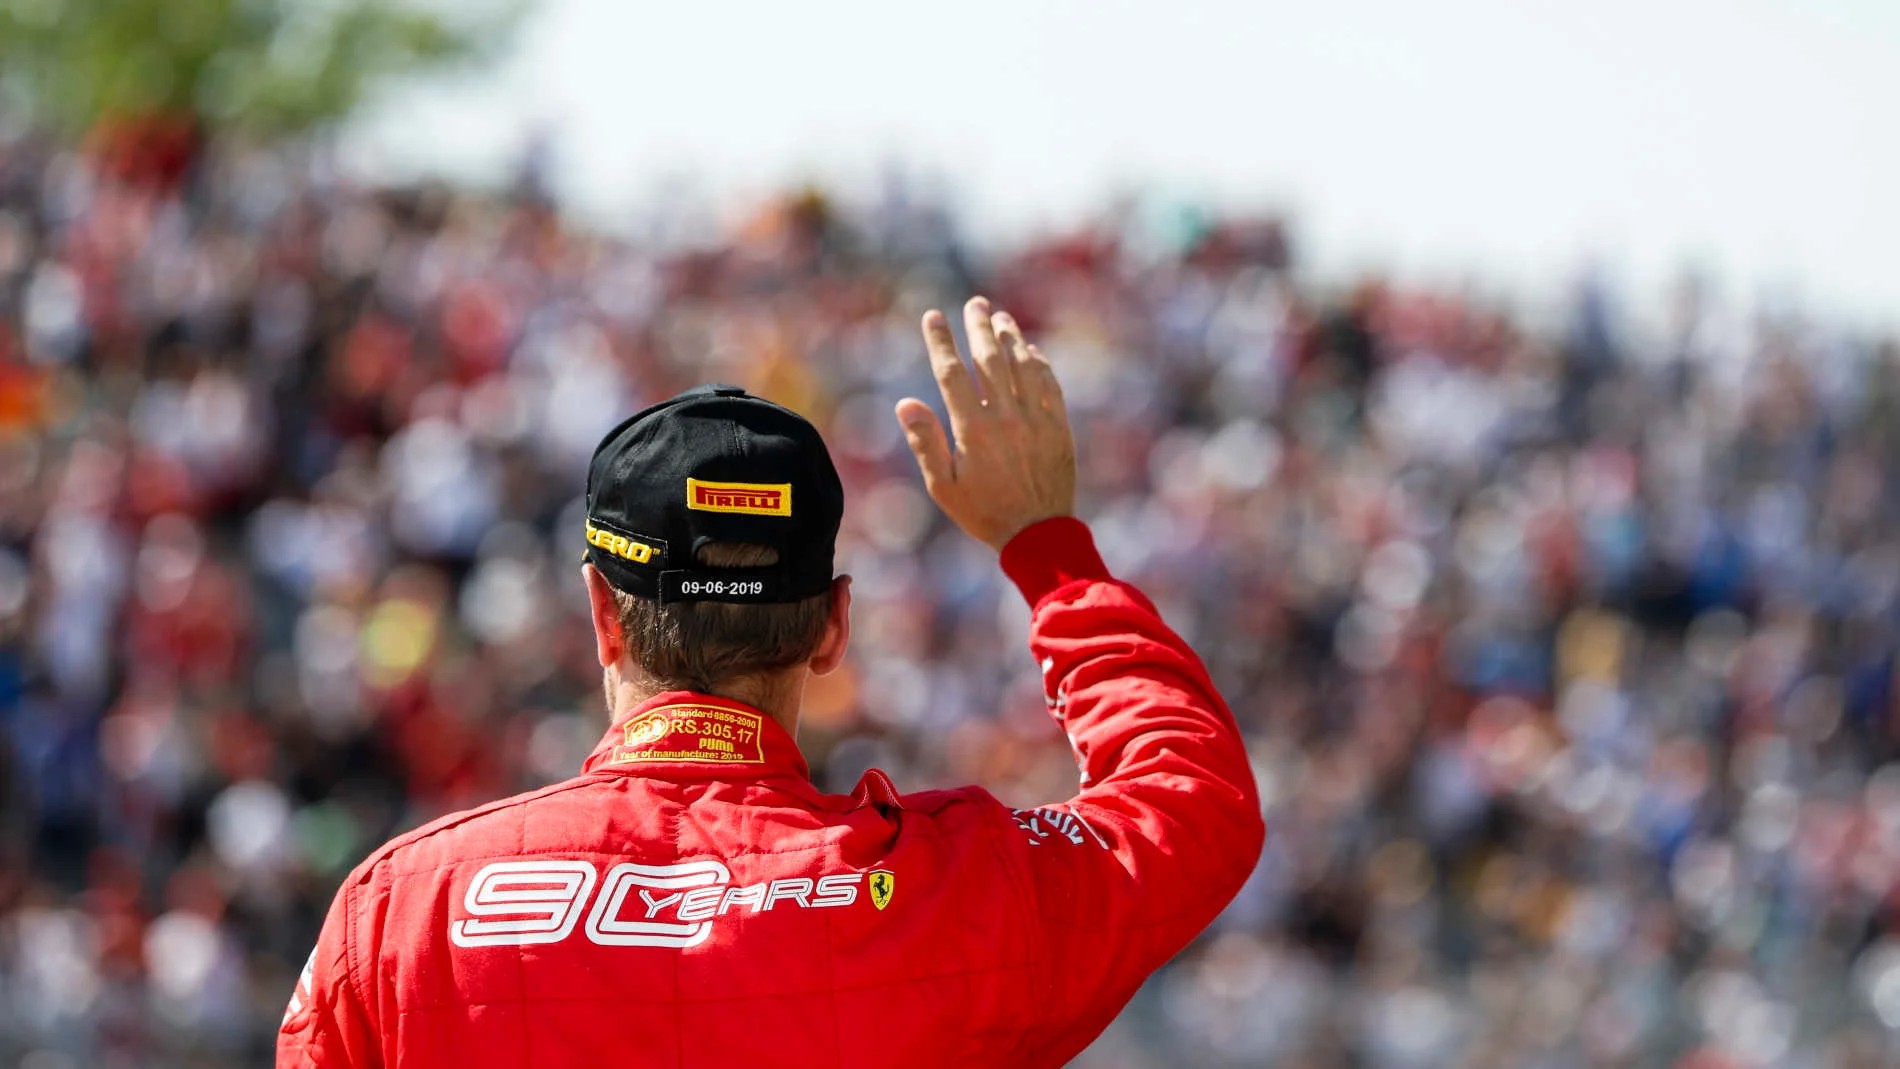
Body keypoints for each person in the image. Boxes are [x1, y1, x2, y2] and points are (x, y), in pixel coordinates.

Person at [275, 298, 1265, 1068]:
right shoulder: (943, 896)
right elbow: (1191, 804)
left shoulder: (404, 907)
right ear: (833, 628)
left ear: (600, 612)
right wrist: (1050, 554)